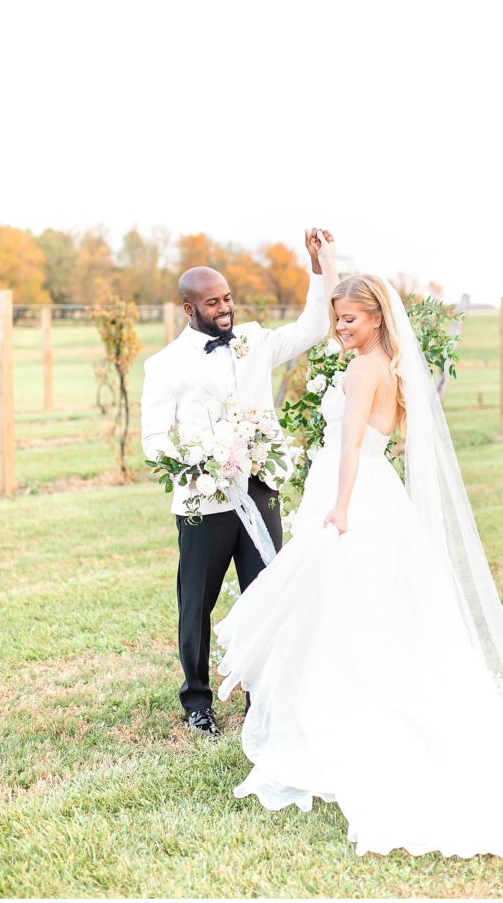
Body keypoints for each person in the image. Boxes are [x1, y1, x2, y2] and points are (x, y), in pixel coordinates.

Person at [215, 232, 503, 865]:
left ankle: (345, 724)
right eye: (337, 319)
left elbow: (350, 444)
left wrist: (339, 506)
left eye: (350, 320)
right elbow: (361, 419)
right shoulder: (388, 363)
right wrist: (325, 268)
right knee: (359, 610)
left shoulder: (362, 369)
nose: (341, 329)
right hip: (377, 491)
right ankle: (336, 711)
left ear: (377, 318)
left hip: (353, 491)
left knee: (338, 610)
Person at [140, 230, 332, 735]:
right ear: (189, 309)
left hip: (259, 489)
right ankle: (197, 701)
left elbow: (314, 326)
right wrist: (200, 462)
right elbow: (154, 440)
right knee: (196, 604)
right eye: (212, 302)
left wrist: (317, 267)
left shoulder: (255, 340)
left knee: (265, 594)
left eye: (227, 298)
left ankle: (261, 699)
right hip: (203, 502)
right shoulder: (164, 366)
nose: (224, 308)